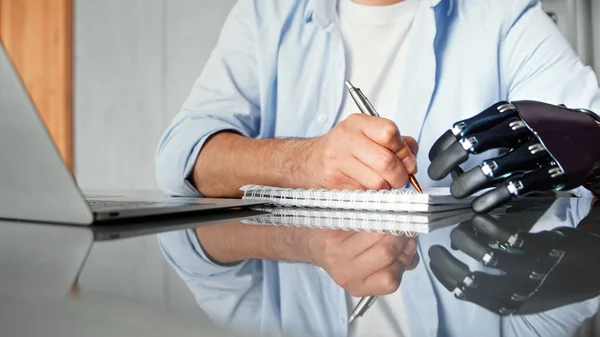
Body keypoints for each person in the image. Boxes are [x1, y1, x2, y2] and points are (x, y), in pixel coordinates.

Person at [155, 0, 600, 336]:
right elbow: (183, 156)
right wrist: (302, 161)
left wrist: (583, 144)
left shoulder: (500, 14)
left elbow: (590, 136)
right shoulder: (267, 13)